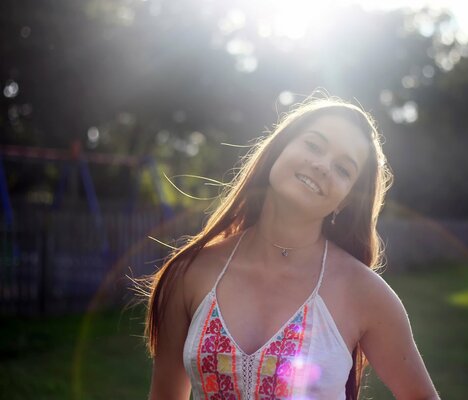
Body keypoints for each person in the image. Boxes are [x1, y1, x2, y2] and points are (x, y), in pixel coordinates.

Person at [143, 96, 440, 400]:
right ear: (279, 149)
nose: (322, 166)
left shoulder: (365, 293)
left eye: (343, 169)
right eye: (313, 145)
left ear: (345, 201)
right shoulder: (189, 274)